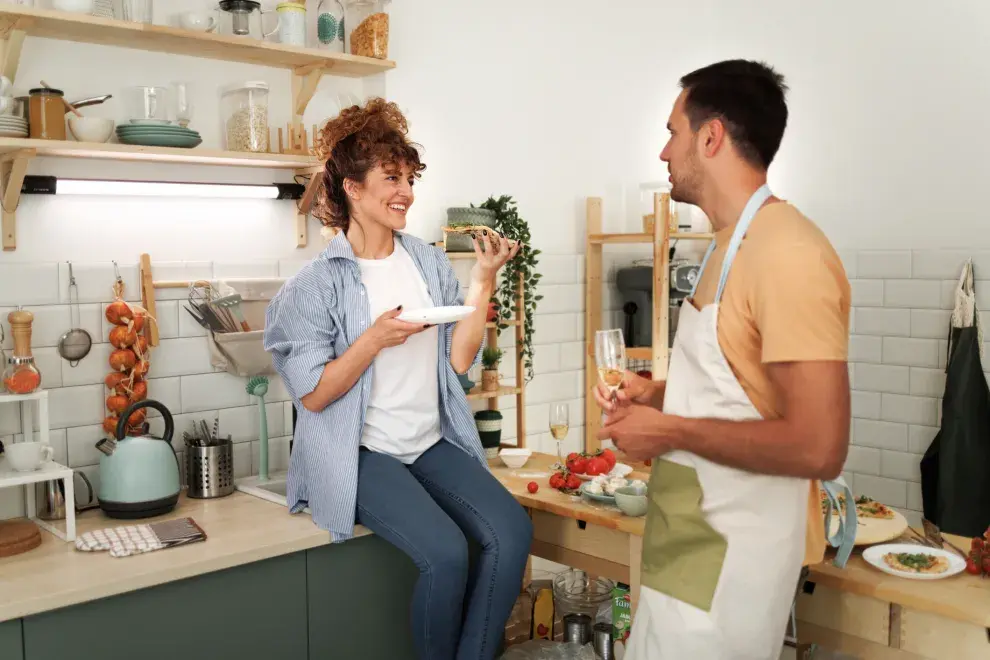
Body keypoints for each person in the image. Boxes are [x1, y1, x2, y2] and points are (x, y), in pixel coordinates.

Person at [595, 60, 854, 659]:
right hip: (685, 535)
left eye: (672, 132)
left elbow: (820, 445)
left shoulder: (789, 252)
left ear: (710, 137)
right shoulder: (723, 245)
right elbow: (738, 383)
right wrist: (655, 395)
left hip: (737, 553)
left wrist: (667, 429)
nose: (664, 152)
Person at [264, 98, 533, 660]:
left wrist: (481, 280)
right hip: (361, 452)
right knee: (447, 553)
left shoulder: (428, 263)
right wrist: (373, 339)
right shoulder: (314, 286)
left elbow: (456, 362)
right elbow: (313, 396)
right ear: (352, 189)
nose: (406, 190)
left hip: (427, 443)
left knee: (510, 532)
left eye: (409, 178)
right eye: (391, 177)